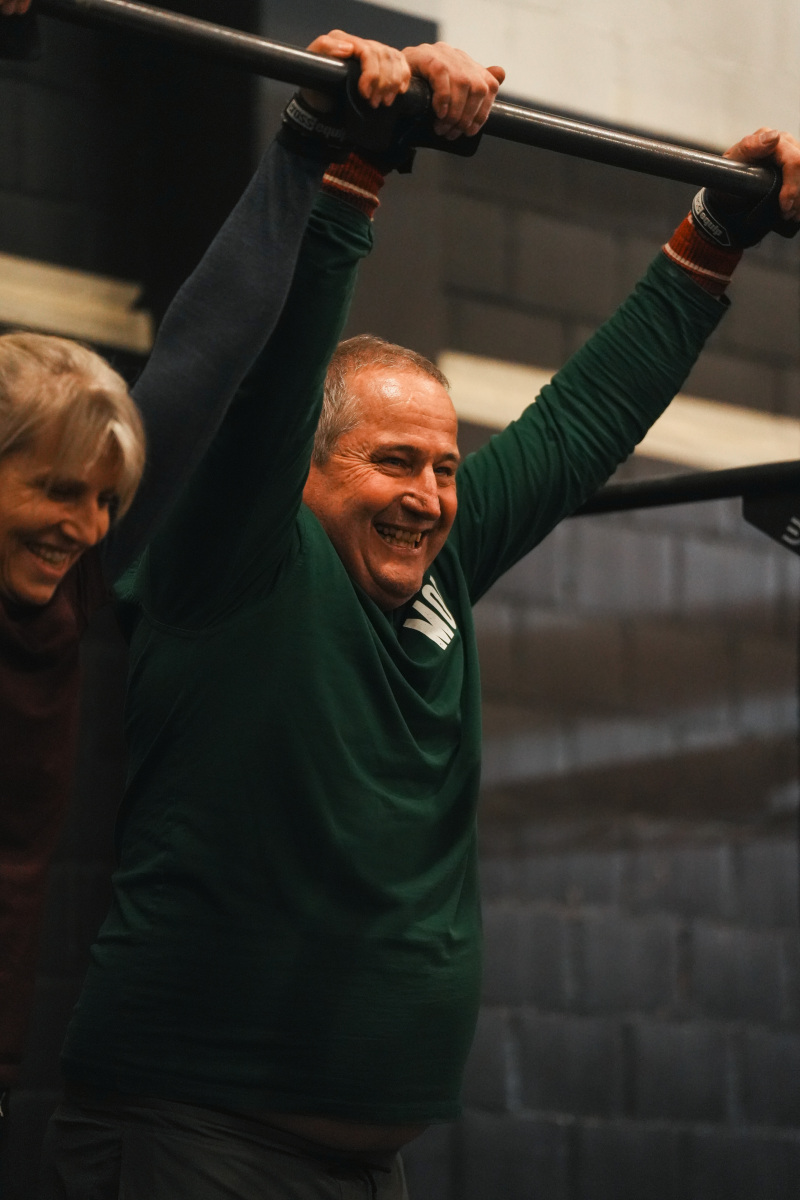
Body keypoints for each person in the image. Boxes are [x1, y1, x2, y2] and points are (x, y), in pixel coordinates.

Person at [42, 43, 798, 1196]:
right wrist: (354, 164)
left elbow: (580, 422)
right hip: (191, 1136)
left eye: (444, 467)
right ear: (302, 469)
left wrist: (715, 230)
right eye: (393, 460)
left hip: (369, 1166)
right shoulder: (229, 560)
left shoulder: (441, 563)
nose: (431, 496)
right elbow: (268, 382)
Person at [0, 7, 460, 1180]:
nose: (82, 526)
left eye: (99, 501)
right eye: (51, 490)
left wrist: (313, 137)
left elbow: (203, 358)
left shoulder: (70, 586)